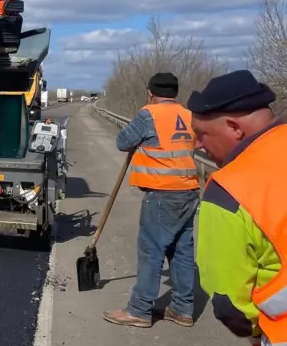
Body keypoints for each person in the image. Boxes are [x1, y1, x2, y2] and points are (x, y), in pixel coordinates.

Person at [190, 70, 285, 346]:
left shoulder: (229, 189)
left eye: (201, 134)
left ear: (234, 127)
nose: (197, 144)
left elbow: (229, 303)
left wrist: (256, 335)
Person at [102, 72, 200, 329]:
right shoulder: (189, 115)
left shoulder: (149, 114)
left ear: (151, 92)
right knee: (182, 253)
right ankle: (182, 309)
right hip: (188, 191)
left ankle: (139, 310)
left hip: (162, 193)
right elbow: (196, 143)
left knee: (152, 252)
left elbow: (123, 142)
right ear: (176, 93)